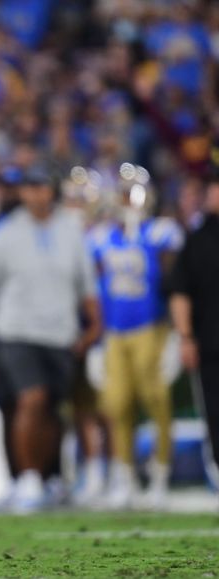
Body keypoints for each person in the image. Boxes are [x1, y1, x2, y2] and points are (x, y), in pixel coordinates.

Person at [0, 165, 101, 512]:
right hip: (16, 332)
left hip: (60, 334)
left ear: (51, 192)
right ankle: (27, 479)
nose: (36, 194)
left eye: (42, 187)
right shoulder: (3, 234)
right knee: (32, 399)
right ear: (23, 193)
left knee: (54, 409)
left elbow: (86, 285)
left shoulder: (72, 231)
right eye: (30, 188)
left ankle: (49, 478)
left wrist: (94, 327)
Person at [89, 164, 183, 509]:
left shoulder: (161, 232)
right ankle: (125, 476)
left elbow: (173, 284)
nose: (128, 199)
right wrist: (97, 342)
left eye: (133, 192)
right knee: (117, 405)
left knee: (156, 401)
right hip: (115, 332)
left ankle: (160, 474)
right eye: (123, 193)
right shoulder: (100, 237)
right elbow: (94, 289)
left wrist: (174, 333)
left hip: (152, 328)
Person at [170, 172, 219, 494]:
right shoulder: (197, 238)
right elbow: (179, 292)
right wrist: (185, 337)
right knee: (215, 411)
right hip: (211, 341)